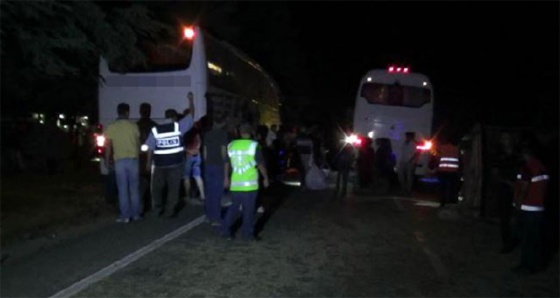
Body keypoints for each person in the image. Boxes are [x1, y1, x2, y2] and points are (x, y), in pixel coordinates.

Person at [144, 94, 195, 218]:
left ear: (165, 116)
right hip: (176, 163)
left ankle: (157, 209)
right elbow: (191, 115)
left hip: (159, 164)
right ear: (174, 117)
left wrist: (148, 163)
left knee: (157, 188)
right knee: (173, 188)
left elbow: (150, 148)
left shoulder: (156, 129)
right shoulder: (178, 127)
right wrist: (191, 100)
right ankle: (169, 211)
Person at [221, 123, 270, 241]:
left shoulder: (232, 145)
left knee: (233, 208)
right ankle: (247, 234)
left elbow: (226, 163)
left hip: (235, 183)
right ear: (251, 132)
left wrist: (226, 178)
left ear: (240, 132)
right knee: (248, 210)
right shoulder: (254, 146)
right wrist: (266, 177)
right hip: (250, 184)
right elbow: (260, 164)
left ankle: (225, 231)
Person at [510, 143, 549, 275]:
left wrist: (518, 203)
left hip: (528, 208)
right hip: (539, 208)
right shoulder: (541, 166)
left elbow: (525, 187)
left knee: (526, 239)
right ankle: (536, 265)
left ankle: (526, 266)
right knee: (535, 239)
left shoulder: (528, 167)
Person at [104, 103, 141, 223]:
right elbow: (138, 144)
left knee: (122, 189)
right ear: (127, 112)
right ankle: (136, 214)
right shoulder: (133, 126)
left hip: (119, 161)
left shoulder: (111, 126)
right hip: (133, 160)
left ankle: (125, 215)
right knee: (134, 189)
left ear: (118, 112)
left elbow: (108, 146)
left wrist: (107, 159)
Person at [490, 132, 521, 253]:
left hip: (520, 187)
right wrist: (508, 183)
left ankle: (517, 239)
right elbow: (495, 173)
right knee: (505, 217)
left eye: (507, 137)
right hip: (504, 188)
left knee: (520, 215)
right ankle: (507, 242)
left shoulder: (518, 154)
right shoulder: (498, 154)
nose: (505, 140)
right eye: (503, 138)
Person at [202, 114, 230, 226]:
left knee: (209, 191)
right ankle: (216, 218)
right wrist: (225, 164)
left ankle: (209, 215)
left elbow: (205, 151)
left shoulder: (207, 134)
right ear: (223, 123)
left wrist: (206, 162)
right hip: (218, 165)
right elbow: (223, 151)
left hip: (208, 165)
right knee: (218, 192)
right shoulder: (223, 134)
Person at [137, 103, 158, 214]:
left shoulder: (136, 125)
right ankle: (151, 204)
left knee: (140, 182)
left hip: (140, 157)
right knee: (152, 181)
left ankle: (142, 205)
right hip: (152, 156)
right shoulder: (154, 125)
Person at [183, 121, 205, 206]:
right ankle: (203, 195)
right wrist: (196, 150)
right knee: (197, 176)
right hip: (197, 155)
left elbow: (183, 147)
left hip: (188, 156)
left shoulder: (186, 135)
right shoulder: (197, 134)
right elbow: (199, 142)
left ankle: (188, 196)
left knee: (186, 177)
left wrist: (190, 151)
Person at [436, 134, 460, 208]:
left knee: (443, 188)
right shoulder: (457, 148)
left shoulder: (442, 147)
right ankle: (451, 202)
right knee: (452, 188)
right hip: (453, 171)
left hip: (443, 170)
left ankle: (442, 202)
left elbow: (437, 154)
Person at [398, 132, 419, 196]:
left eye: (408, 136)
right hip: (403, 161)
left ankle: (408, 191)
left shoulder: (414, 144)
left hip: (410, 162)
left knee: (409, 177)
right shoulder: (404, 143)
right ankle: (403, 190)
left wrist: (411, 160)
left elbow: (416, 153)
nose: (407, 137)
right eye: (406, 136)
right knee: (401, 176)